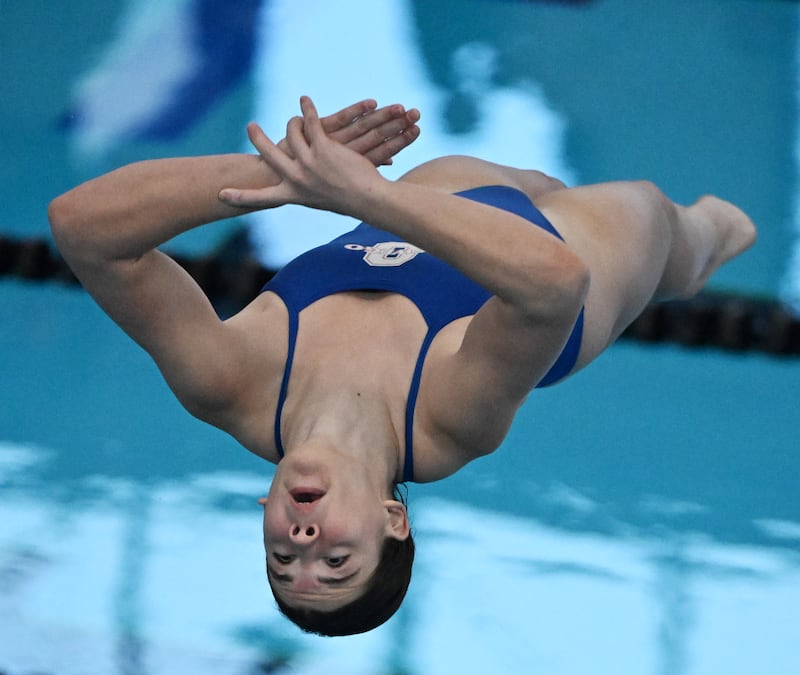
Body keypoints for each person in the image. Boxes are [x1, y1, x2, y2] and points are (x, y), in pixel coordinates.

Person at [49, 95, 756, 637]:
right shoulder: (444, 425)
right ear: (393, 519)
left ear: (265, 514)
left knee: (530, 178)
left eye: (282, 560)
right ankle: (709, 243)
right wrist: (365, 195)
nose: (302, 543)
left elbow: (83, 228)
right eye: (336, 562)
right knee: (686, 236)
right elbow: (553, 282)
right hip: (576, 249)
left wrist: (284, 172)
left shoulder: (231, 384)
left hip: (443, 193)